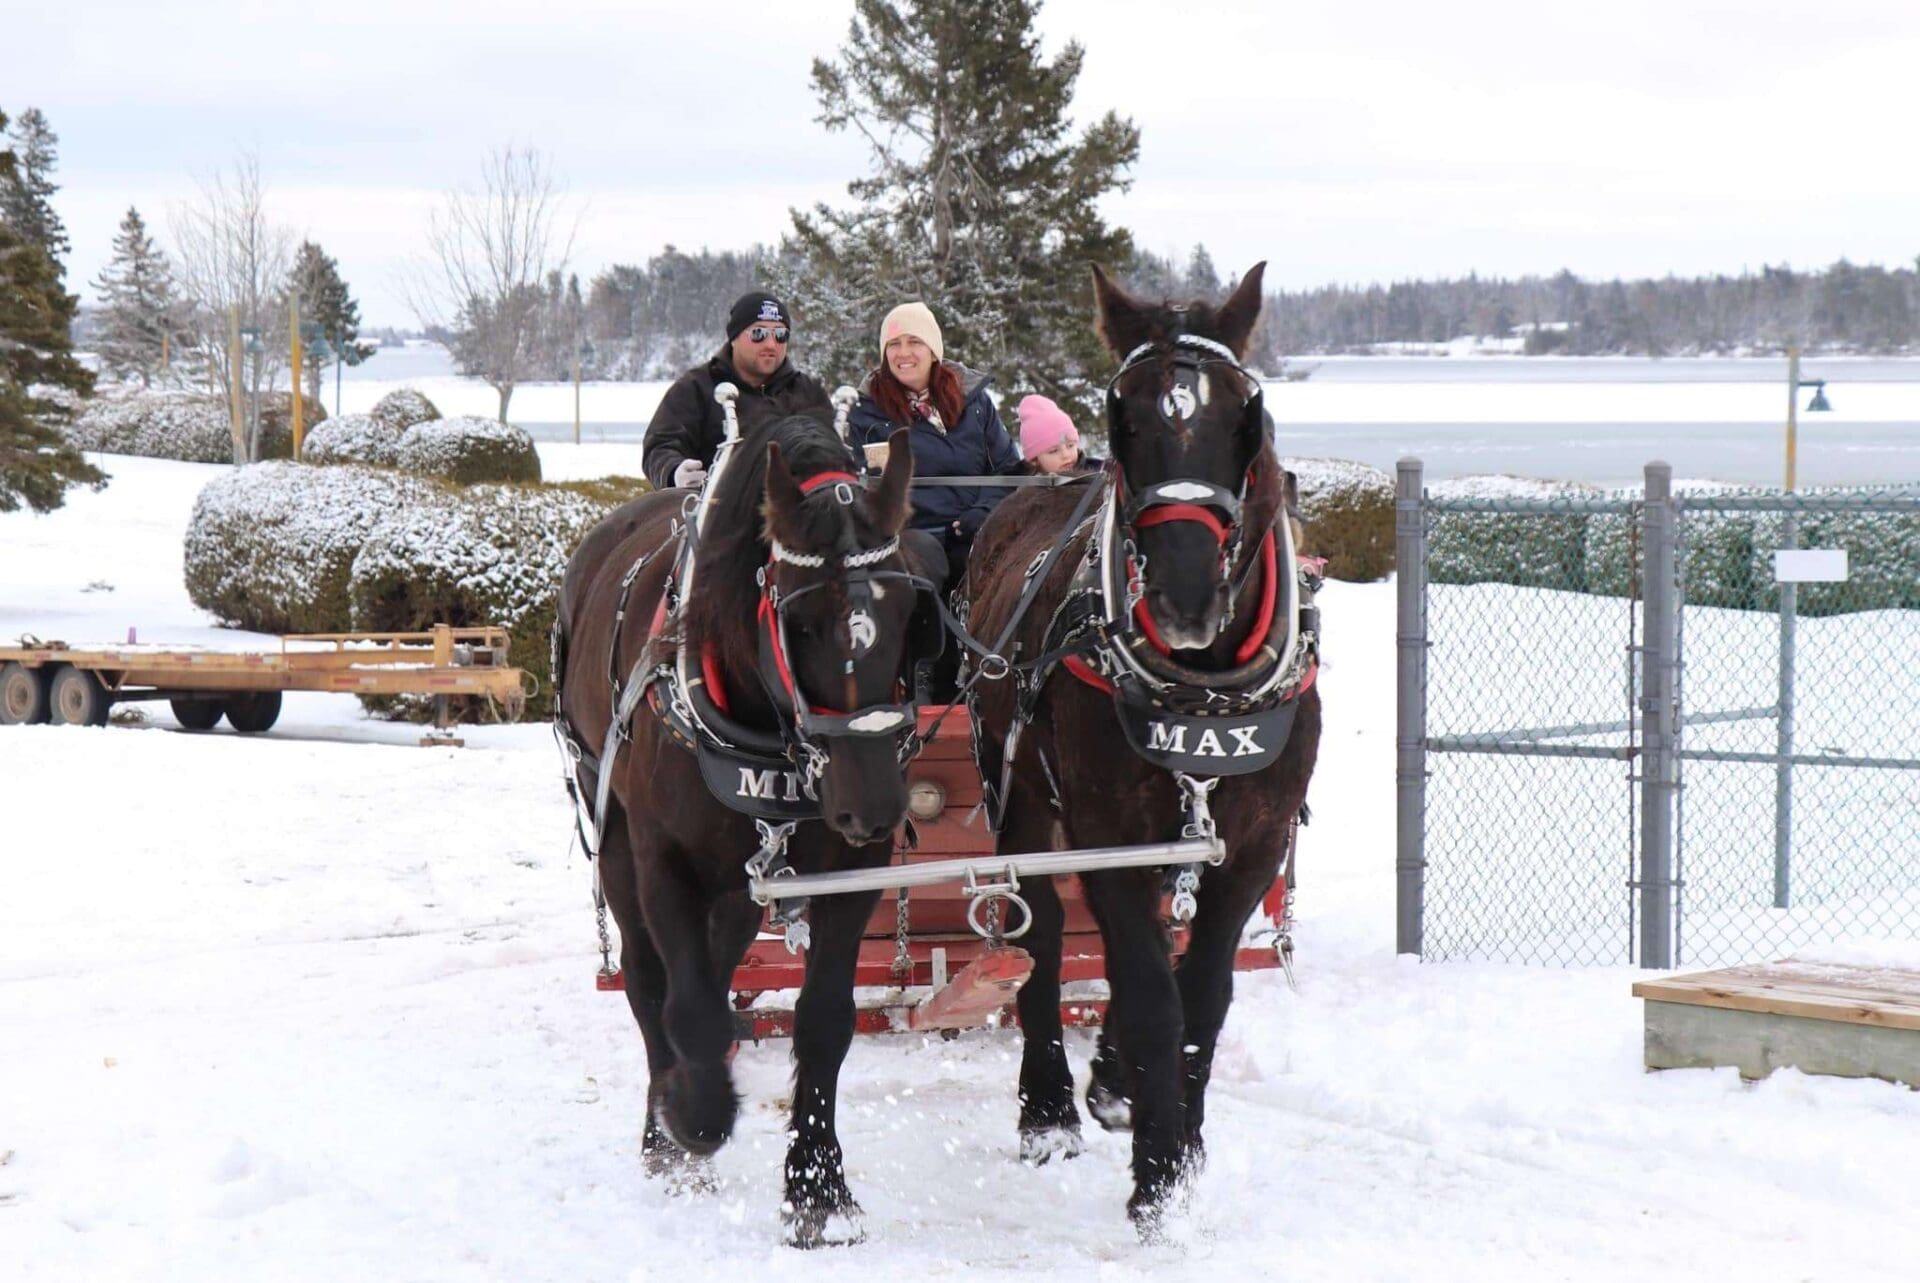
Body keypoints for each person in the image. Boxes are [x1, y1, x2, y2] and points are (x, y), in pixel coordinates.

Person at [846, 301, 1021, 587]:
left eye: (914, 341)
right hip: (909, 542)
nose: (903, 353)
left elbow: (1008, 467)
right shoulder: (865, 414)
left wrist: (984, 512)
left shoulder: (973, 402)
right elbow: (856, 487)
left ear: (933, 350)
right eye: (893, 344)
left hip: (978, 529)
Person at [641, 291, 831, 491]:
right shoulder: (696, 387)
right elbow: (660, 445)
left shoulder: (808, 393)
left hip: (797, 511)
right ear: (734, 337)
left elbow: (836, 452)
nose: (770, 344)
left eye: (780, 335)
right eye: (759, 334)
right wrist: (674, 472)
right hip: (714, 510)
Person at [1015, 394, 1102, 476]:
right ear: (1034, 460)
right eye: (1053, 451)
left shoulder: (1098, 474)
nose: (1066, 455)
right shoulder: (1017, 487)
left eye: (1070, 445)